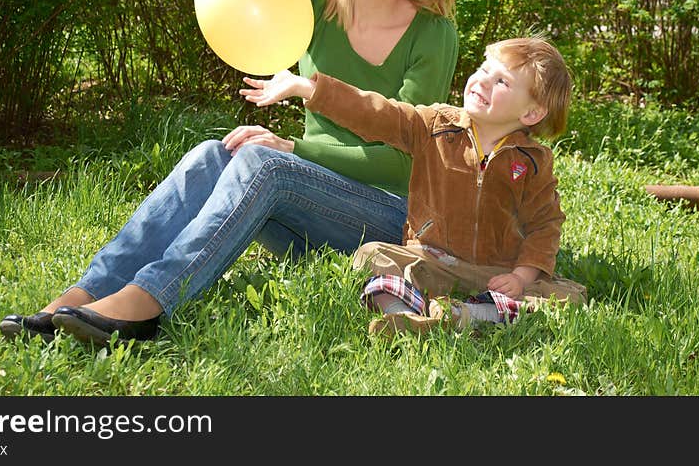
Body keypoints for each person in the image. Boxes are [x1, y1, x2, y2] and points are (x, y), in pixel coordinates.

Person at [0, 0, 459, 346]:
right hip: (304, 217)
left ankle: (148, 303)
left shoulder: (432, 34)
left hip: (387, 219)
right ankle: (83, 297)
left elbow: (409, 159)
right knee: (213, 155)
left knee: (264, 160)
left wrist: (293, 147)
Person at [241, 36, 587, 337]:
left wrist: (522, 277)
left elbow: (545, 224)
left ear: (531, 113)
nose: (482, 80)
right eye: (483, 69)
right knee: (372, 256)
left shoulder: (531, 161)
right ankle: (404, 318)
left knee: (567, 297)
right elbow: (377, 113)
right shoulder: (435, 125)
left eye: (501, 81)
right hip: (431, 260)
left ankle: (469, 315)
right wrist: (309, 87)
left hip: (495, 273)